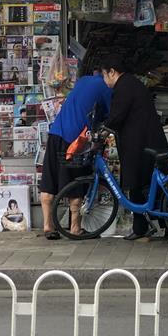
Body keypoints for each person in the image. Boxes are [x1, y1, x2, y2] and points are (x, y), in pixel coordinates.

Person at [100, 56, 168, 241]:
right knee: (152, 184)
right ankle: (164, 227)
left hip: (140, 144)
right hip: (148, 141)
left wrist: (102, 130)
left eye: (104, 76)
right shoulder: (132, 83)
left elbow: (117, 115)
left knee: (137, 184)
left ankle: (142, 228)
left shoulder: (123, 87)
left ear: (112, 72)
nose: (104, 81)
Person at [38, 70, 112, 239]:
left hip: (55, 133)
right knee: (76, 182)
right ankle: (75, 228)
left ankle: (48, 226)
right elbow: (110, 116)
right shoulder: (106, 88)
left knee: (49, 178)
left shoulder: (83, 80)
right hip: (75, 141)